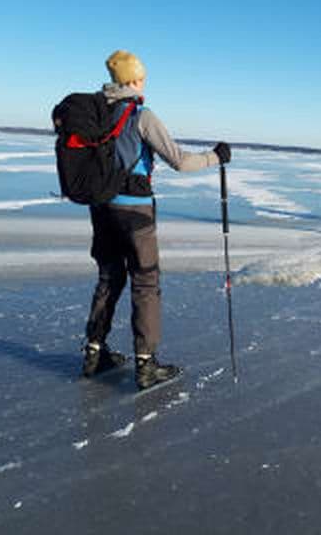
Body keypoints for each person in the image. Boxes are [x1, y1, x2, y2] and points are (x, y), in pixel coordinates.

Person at [81, 50, 231, 390]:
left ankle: (94, 352)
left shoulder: (94, 114)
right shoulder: (141, 115)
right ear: (133, 79)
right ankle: (146, 366)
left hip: (101, 208)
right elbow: (179, 161)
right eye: (142, 77)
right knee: (145, 281)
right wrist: (216, 157)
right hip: (134, 211)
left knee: (109, 276)